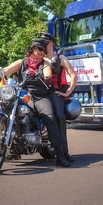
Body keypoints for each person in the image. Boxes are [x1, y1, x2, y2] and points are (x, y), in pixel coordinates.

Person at [0, 38, 70, 166]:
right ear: (33, 49)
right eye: (40, 49)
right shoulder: (22, 62)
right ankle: (8, 148)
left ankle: (60, 154)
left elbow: (47, 73)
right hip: (24, 95)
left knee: (50, 118)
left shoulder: (45, 63)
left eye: (44, 50)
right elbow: (5, 70)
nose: (42, 52)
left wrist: (46, 77)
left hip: (40, 96)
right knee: (10, 110)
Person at [41, 33, 77, 164]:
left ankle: (64, 152)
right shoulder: (39, 58)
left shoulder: (60, 57)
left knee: (59, 117)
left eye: (45, 42)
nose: (43, 45)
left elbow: (73, 75)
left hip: (56, 92)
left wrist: (67, 92)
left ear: (51, 44)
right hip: (42, 93)